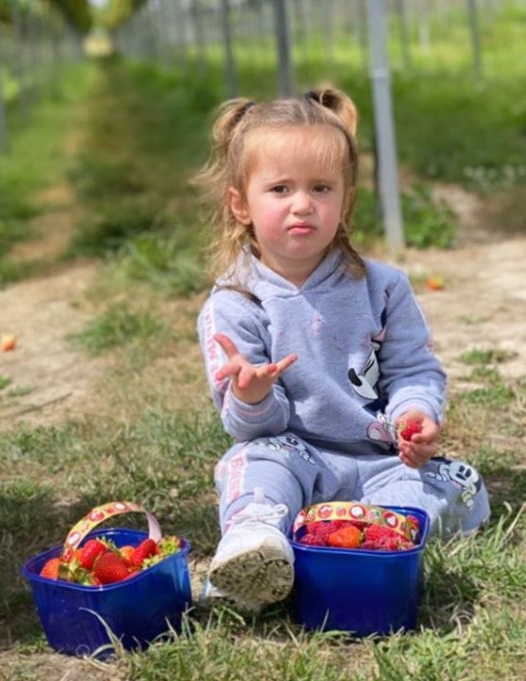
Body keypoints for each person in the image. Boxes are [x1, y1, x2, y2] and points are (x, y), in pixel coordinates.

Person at [194, 87, 490, 612]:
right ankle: (257, 544)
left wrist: (414, 415)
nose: (302, 204)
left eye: (321, 188)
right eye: (280, 188)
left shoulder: (382, 287)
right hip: (294, 453)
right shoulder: (235, 304)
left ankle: (378, 534)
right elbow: (251, 428)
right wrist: (253, 395)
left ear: (345, 200)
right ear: (240, 203)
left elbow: (413, 369)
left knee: (457, 486)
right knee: (253, 463)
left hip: (379, 458)